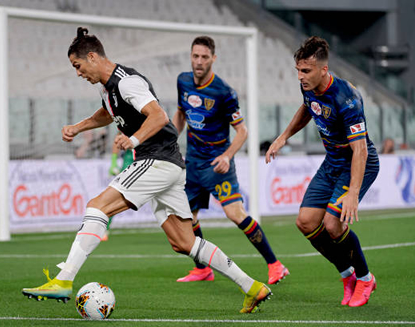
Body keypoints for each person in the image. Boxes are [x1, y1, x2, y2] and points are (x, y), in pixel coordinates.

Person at [22, 27, 271, 314]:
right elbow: (107, 112)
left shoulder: (127, 82)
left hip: (156, 159)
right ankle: (252, 286)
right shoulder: (108, 87)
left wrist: (134, 139)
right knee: (183, 242)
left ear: (92, 57)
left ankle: (63, 280)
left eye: (77, 66)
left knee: (97, 207)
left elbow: (159, 115)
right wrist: (79, 127)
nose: (77, 73)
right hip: (170, 165)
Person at [265, 36, 379, 307]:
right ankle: (347, 275)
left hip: (356, 161)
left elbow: (360, 150)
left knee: (332, 223)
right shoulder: (309, 87)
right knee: (305, 222)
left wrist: (352, 192)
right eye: (298, 71)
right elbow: (307, 109)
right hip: (332, 161)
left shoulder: (347, 97)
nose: (300, 76)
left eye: (306, 71)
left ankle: (365, 277)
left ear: (324, 70)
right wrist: (283, 137)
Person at [172, 36, 289, 284]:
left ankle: (275, 264)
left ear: (213, 59)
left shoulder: (224, 92)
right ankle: (203, 269)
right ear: (190, 56)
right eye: (196, 56)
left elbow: (242, 131)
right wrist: (172, 137)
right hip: (192, 163)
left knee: (235, 214)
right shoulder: (182, 81)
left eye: (205, 57)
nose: (199, 61)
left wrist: (227, 156)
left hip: (217, 165)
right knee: (187, 218)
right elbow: (182, 113)